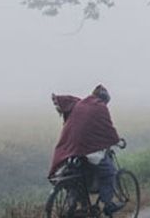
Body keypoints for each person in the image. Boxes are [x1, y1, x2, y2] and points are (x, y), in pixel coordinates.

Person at [49, 84, 124, 216]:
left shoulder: (80, 104)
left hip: (71, 150)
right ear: (104, 99)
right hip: (88, 149)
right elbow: (108, 128)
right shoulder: (100, 107)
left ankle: (77, 204)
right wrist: (116, 140)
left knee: (77, 177)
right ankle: (108, 204)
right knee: (109, 172)